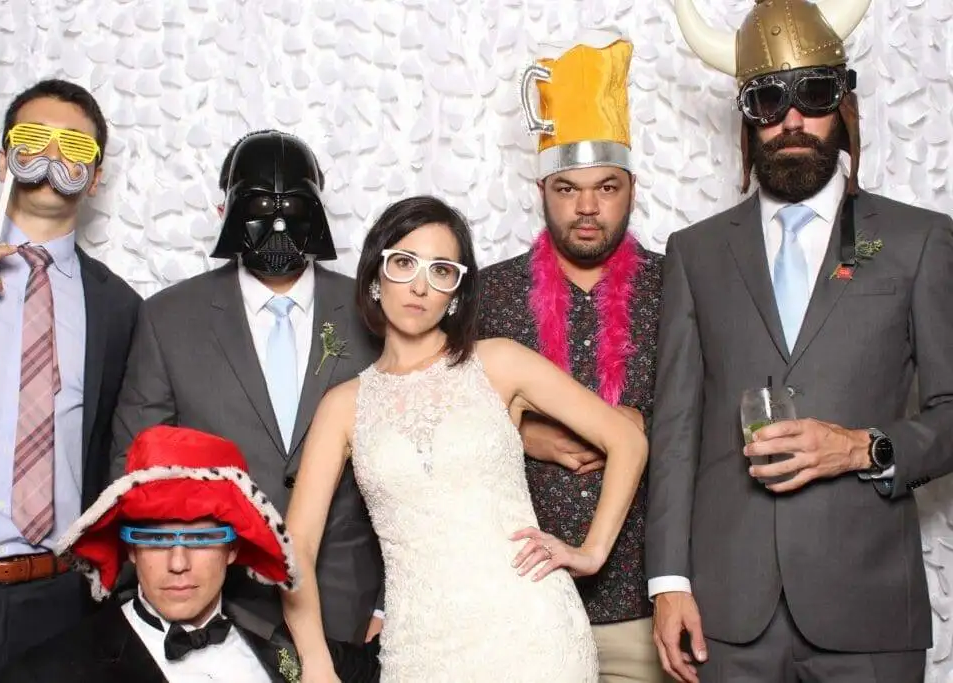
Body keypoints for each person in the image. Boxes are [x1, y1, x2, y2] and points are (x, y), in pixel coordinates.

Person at [648, 1, 953, 681]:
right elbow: (674, 428)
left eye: (812, 94)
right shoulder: (695, 252)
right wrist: (668, 581)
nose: (791, 120)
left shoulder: (919, 241)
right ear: (747, 118)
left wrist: (862, 447)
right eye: (766, 100)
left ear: (843, 102)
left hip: (869, 610)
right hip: (727, 616)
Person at [281, 195, 649, 682]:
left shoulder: (499, 362)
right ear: (375, 276)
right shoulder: (343, 406)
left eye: (441, 270)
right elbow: (295, 548)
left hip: (536, 638)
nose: (419, 285)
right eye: (404, 262)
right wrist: (316, 664)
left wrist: (591, 551)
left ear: (456, 291)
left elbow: (628, 440)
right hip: (419, 650)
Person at [110, 130, 385, 645]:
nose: (277, 226)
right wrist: (143, 603)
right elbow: (135, 468)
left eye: (294, 207)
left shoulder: (373, 313)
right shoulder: (168, 319)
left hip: (347, 601)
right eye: (258, 207)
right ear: (224, 213)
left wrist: (388, 602)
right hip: (215, 598)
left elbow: (410, 461)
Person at [0, 78, 141, 681]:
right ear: (3, 159)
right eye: (34, 138)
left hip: (58, 607)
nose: (54, 156)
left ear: (94, 177)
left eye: (76, 147)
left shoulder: (120, 309)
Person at [479, 39, 667, 682]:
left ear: (631, 190)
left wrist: (645, 426)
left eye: (605, 187)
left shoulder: (679, 290)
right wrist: (525, 435)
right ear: (542, 190)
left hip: (645, 611)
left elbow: (712, 423)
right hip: (518, 607)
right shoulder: (487, 294)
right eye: (568, 188)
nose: (587, 208)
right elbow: (434, 421)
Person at [0, 424, 381, 683]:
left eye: (199, 539)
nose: (178, 564)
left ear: (232, 548)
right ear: (129, 548)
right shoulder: (48, 672)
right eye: (157, 540)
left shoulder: (292, 651)